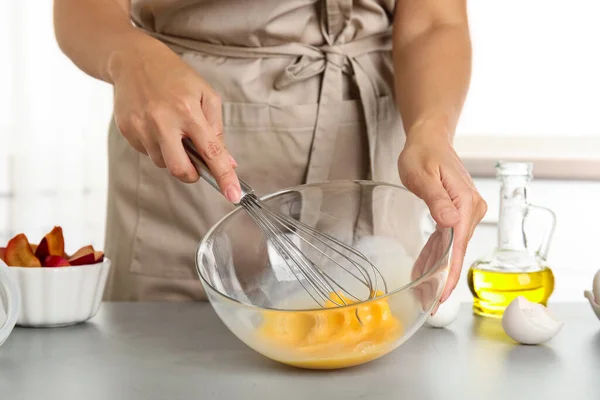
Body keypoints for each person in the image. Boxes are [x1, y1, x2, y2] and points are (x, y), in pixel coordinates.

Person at [53, 0, 487, 305]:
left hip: (370, 158)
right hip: (185, 138)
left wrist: (431, 130)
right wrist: (130, 57)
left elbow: (435, 20)